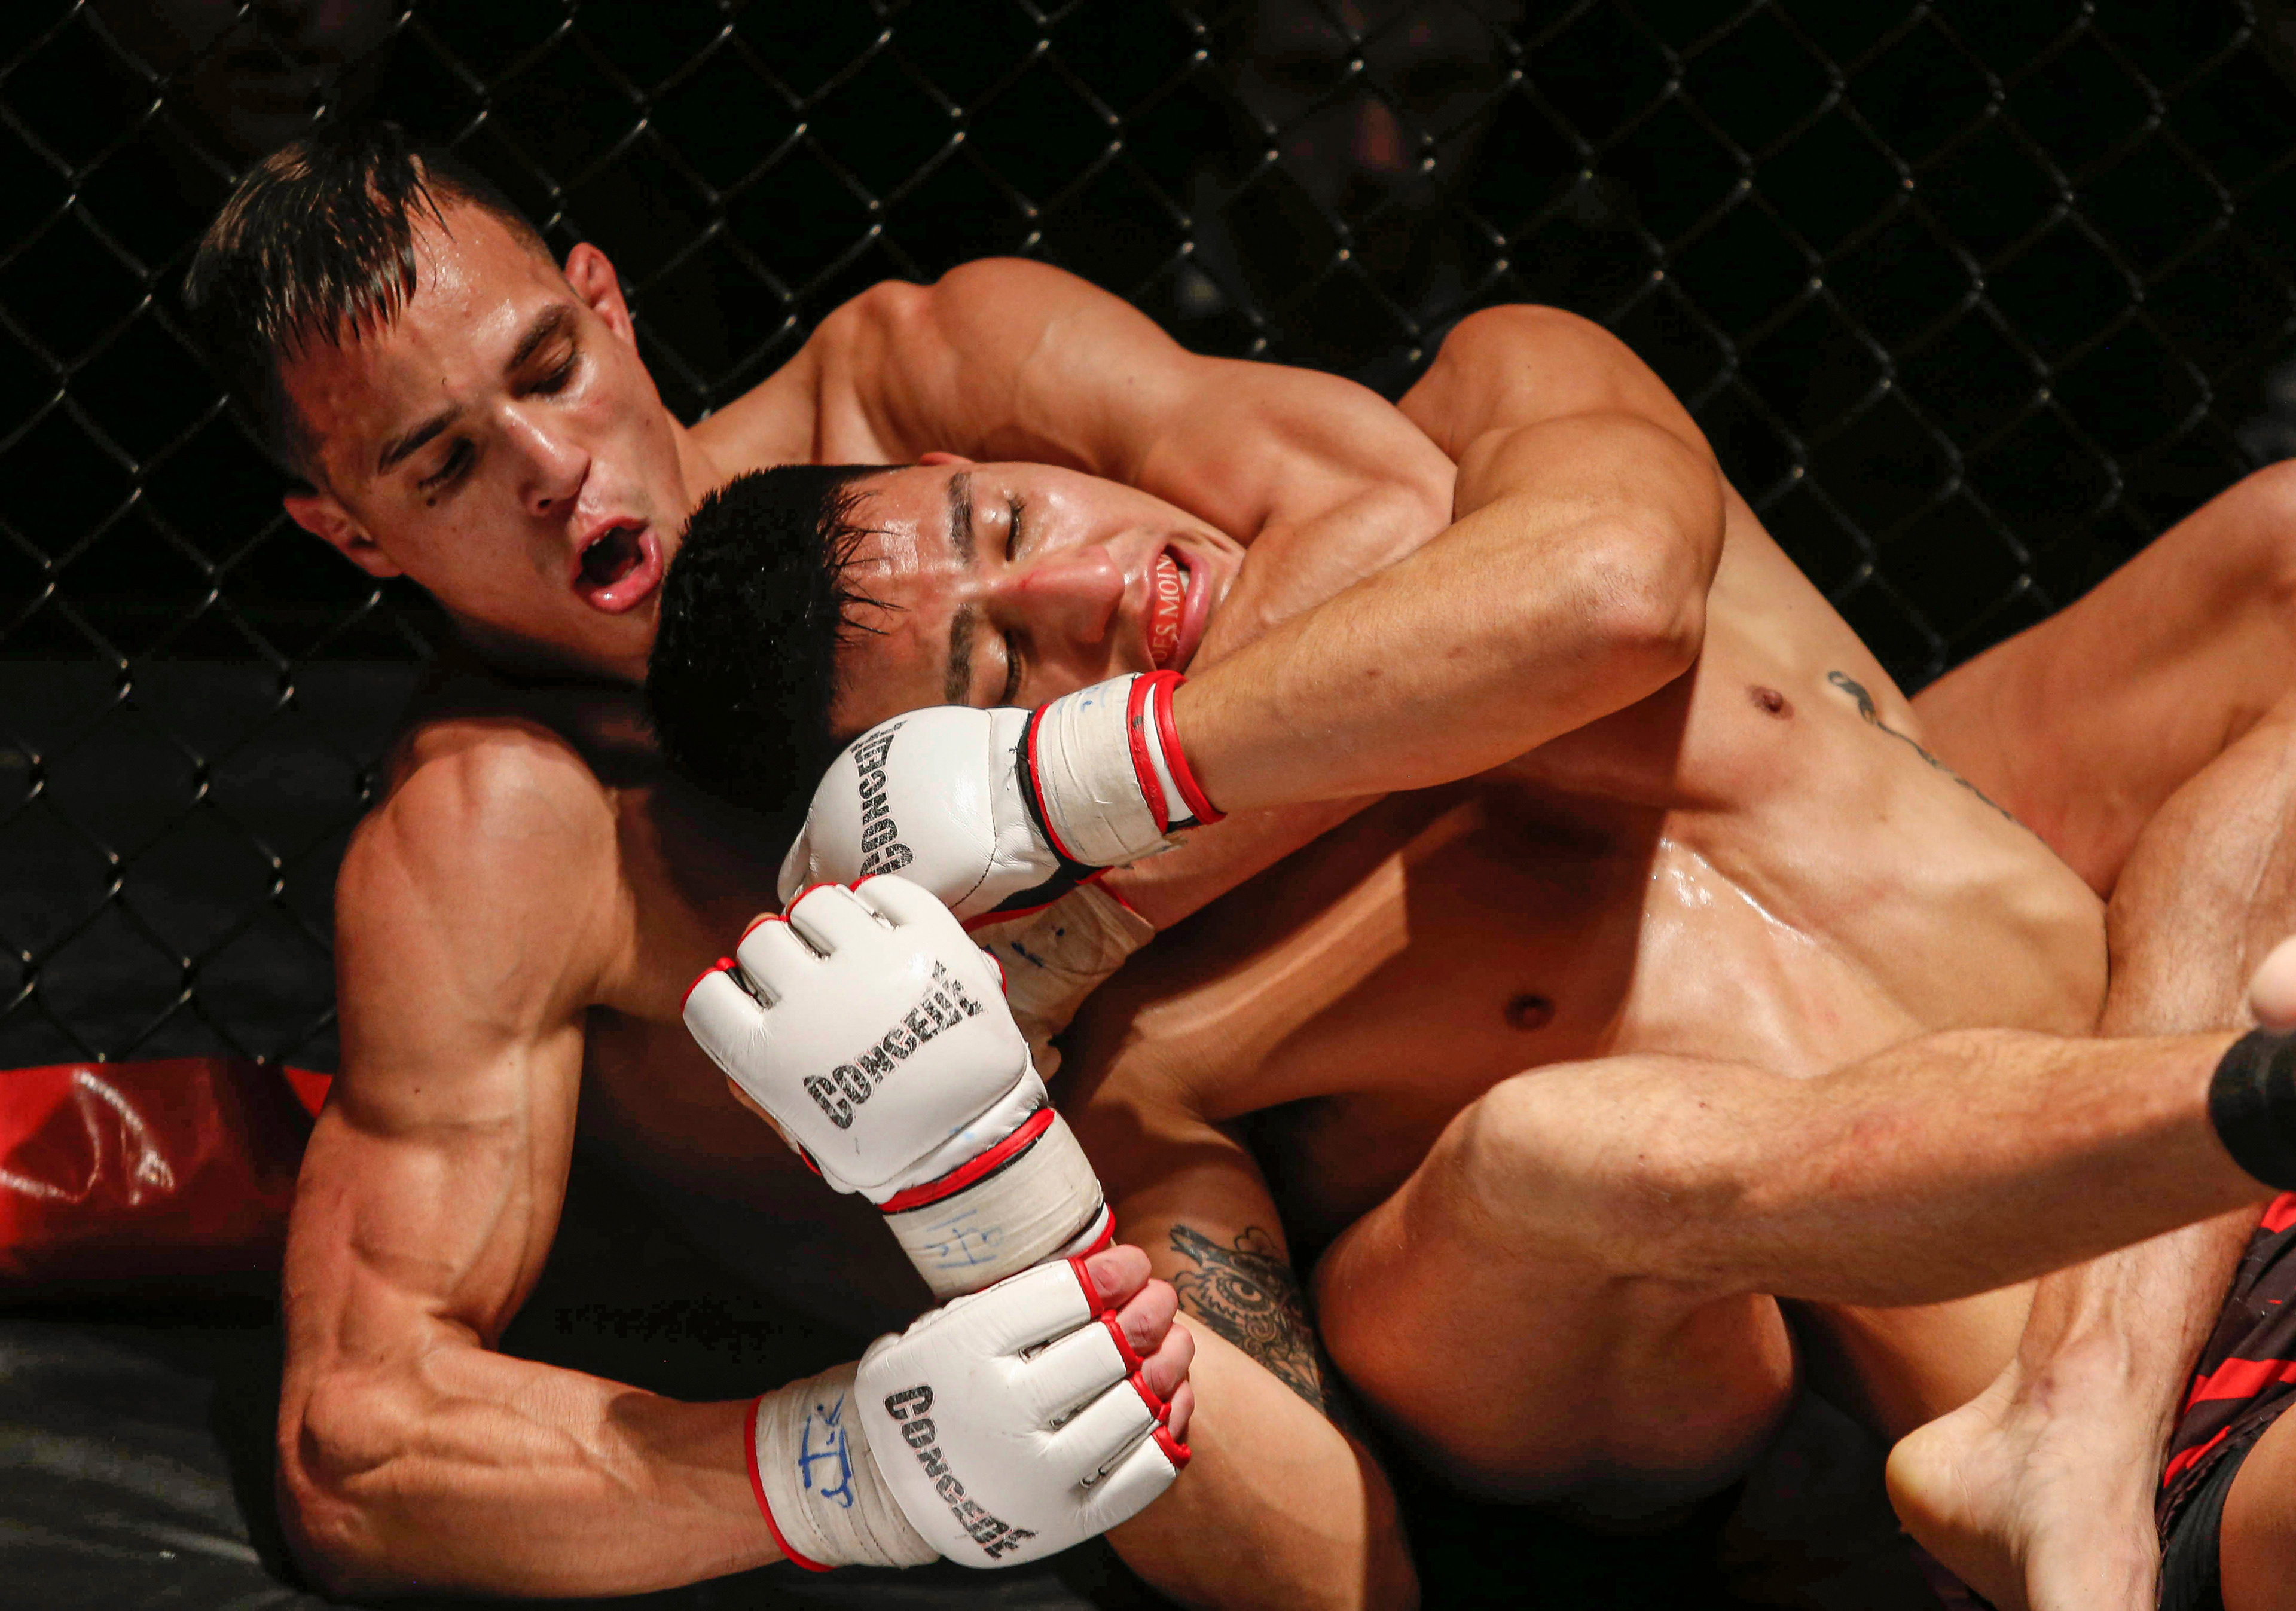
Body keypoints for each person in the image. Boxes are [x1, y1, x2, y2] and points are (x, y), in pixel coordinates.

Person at [651, 295, 2296, 1611]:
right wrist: (973, 1177)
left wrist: (1074, 785)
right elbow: (1311, 1573)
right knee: (1546, 1155)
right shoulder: (1174, 1051)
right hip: (2191, 1439)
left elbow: (1615, 602)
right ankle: (2080, 1409)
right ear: (927, 825)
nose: (1094, 581)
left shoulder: (1512, 403)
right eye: (1000, 679)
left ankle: (2101, 1361)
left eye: (1015, 513)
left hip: (2199, 1207)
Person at [183, 121, 1462, 1603]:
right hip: (1106, 1234)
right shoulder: (506, 831)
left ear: (609, 303)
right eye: (445, 460)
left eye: (549, 369)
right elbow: (357, 1446)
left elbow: (1406, 523)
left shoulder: (910, 384)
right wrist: (836, 1466)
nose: (548, 464)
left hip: (1422, 1043)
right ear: (351, 534)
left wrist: (1075, 851)